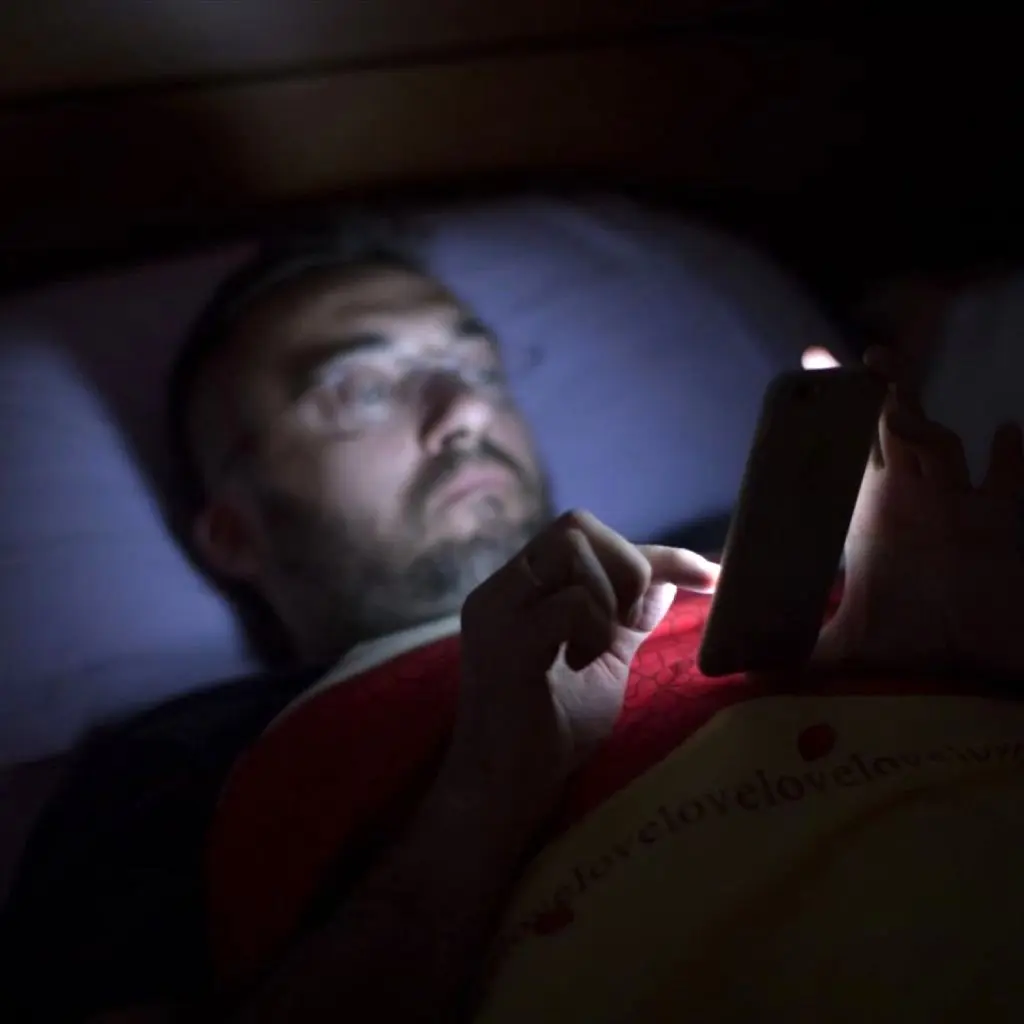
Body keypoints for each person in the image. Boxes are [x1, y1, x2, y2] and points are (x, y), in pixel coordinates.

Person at [2, 221, 1022, 1024]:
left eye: (481, 369)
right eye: (360, 389)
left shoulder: (801, 552)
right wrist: (485, 795)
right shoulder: (175, 762)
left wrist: (981, 663)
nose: (463, 411)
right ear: (233, 530)